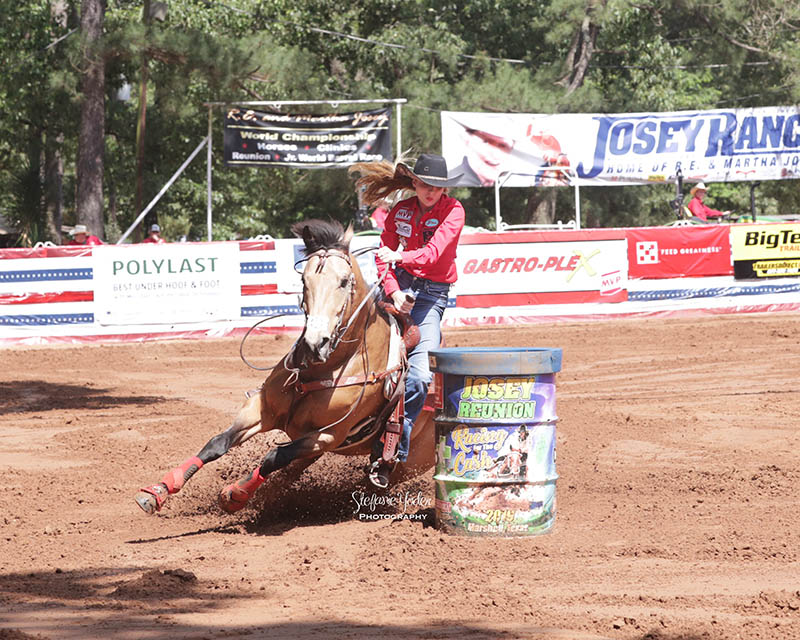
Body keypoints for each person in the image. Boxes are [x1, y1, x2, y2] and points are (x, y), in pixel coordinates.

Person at [349, 153, 465, 488]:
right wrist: (393, 290)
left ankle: (391, 451)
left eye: (437, 187)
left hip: (430, 298)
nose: (430, 191)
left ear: (445, 188)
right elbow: (381, 257)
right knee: (346, 337)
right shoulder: (400, 210)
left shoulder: (454, 211)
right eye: (425, 184)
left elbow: (433, 253)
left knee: (419, 377)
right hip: (397, 288)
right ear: (414, 182)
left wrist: (399, 255)